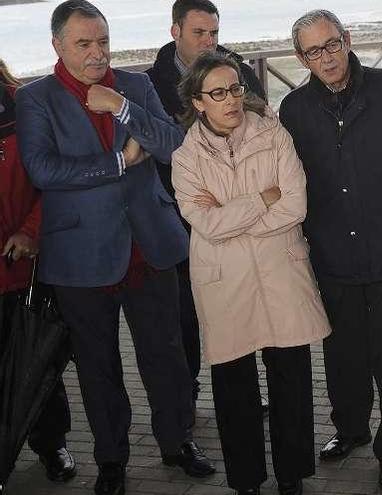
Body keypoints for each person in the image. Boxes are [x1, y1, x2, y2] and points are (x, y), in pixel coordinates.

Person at [15, 2, 214, 494]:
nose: (97, 53)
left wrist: (121, 108)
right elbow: (42, 169)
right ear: (58, 46)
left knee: (166, 354)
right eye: (84, 44)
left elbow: (176, 146)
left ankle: (177, 440)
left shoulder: (137, 85)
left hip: (149, 245)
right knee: (99, 367)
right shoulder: (36, 98)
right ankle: (111, 461)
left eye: (102, 41)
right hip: (80, 258)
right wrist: (118, 164)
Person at [279, 9, 382, 490]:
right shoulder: (293, 109)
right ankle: (350, 430)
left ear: (347, 40)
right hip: (332, 257)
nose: (326, 57)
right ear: (300, 57)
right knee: (342, 355)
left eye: (332, 44)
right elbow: (289, 178)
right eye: (314, 51)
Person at [172, 51, 331, 495]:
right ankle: (246, 481)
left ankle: (292, 476)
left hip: (281, 273)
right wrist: (262, 199)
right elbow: (205, 224)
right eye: (218, 92)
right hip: (226, 283)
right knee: (233, 389)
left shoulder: (275, 134)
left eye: (236, 88)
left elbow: (295, 204)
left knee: (292, 382)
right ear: (199, 102)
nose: (231, 100)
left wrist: (235, 219)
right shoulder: (185, 159)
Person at [146, 0, 267, 407]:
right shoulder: (152, 83)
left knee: (242, 306)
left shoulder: (240, 72)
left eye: (214, 32)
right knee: (186, 316)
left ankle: (246, 393)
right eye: (199, 32)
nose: (209, 41)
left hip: (244, 213)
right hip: (182, 216)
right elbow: (169, 148)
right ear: (174, 31)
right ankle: (190, 393)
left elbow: (259, 133)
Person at [0, 58, 77, 487]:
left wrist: (32, 231)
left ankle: (52, 445)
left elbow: (52, 179)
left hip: (24, 266)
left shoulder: (21, 104)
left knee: (36, 361)